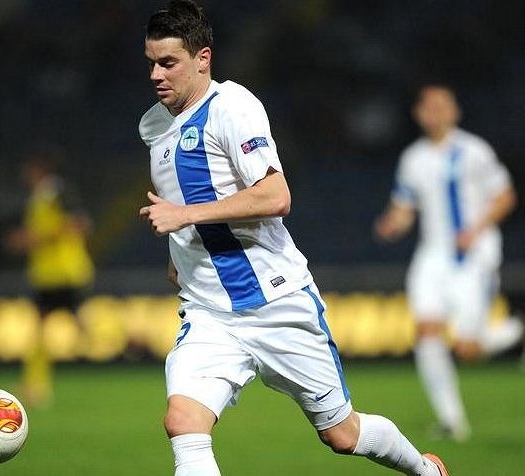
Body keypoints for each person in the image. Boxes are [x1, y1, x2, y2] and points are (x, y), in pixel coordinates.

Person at [138, 1, 448, 474]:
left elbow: (275, 196)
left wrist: (185, 217)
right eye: (151, 63)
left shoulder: (233, 108)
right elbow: (178, 196)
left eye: (168, 62)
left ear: (203, 58)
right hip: (209, 312)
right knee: (183, 423)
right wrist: (177, 253)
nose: (156, 75)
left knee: (342, 435)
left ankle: (425, 470)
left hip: (276, 302)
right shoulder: (155, 124)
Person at [374, 84, 521, 441]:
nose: (435, 113)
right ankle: (451, 421)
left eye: (442, 106)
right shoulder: (413, 158)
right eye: (429, 107)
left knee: (468, 349)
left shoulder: (474, 151)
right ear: (418, 114)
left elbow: (505, 197)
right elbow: (405, 208)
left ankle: (516, 330)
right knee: (426, 332)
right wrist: (392, 224)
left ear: (455, 111)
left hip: (473, 256)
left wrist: (476, 229)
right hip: (432, 256)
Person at [5, 144, 95, 407]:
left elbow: (80, 224)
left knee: (59, 329)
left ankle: (130, 347)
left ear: (38, 169)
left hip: (65, 272)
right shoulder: (39, 197)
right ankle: (34, 385)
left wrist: (33, 239)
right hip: (47, 275)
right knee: (43, 330)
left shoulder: (57, 192)